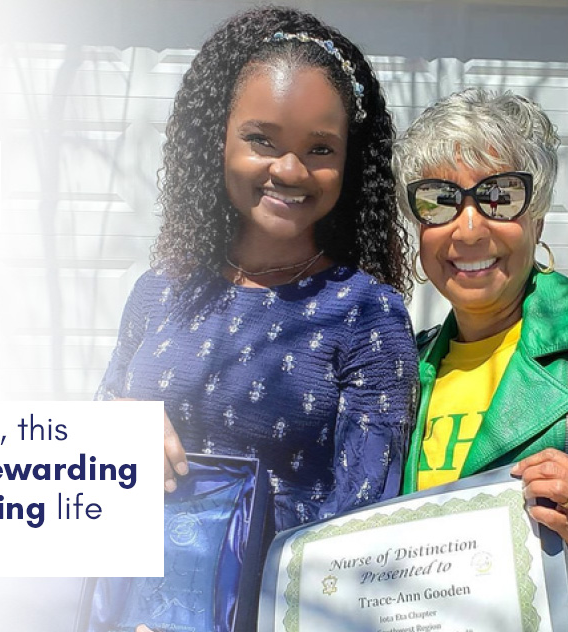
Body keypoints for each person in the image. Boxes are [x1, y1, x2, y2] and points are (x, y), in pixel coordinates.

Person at [96, 5, 418, 536]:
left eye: (320, 148)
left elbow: (363, 529)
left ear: (349, 162)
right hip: (123, 606)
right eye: (262, 139)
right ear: (218, 141)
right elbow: (93, 452)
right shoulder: (157, 292)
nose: (290, 169)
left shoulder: (367, 315)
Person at [394, 88, 568, 569]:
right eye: (439, 201)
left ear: (539, 217)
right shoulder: (399, 372)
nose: (468, 230)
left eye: (500, 197)